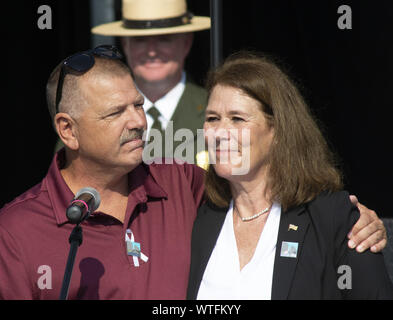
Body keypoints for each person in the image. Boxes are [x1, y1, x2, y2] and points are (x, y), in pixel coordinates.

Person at [0, 47, 386, 300]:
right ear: (68, 130)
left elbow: (265, 187)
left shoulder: (184, 187)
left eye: (138, 105)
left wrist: (354, 219)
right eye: (117, 113)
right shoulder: (17, 231)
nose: (138, 121)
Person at [187, 51, 393, 299]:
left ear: (277, 131)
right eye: (212, 119)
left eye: (237, 119)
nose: (220, 132)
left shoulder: (332, 219)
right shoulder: (198, 216)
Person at [55, 0, 210, 166]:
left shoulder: (215, 110)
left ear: (186, 43)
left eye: (164, 39)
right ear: (125, 44)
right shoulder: (87, 119)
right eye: (140, 39)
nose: (151, 51)